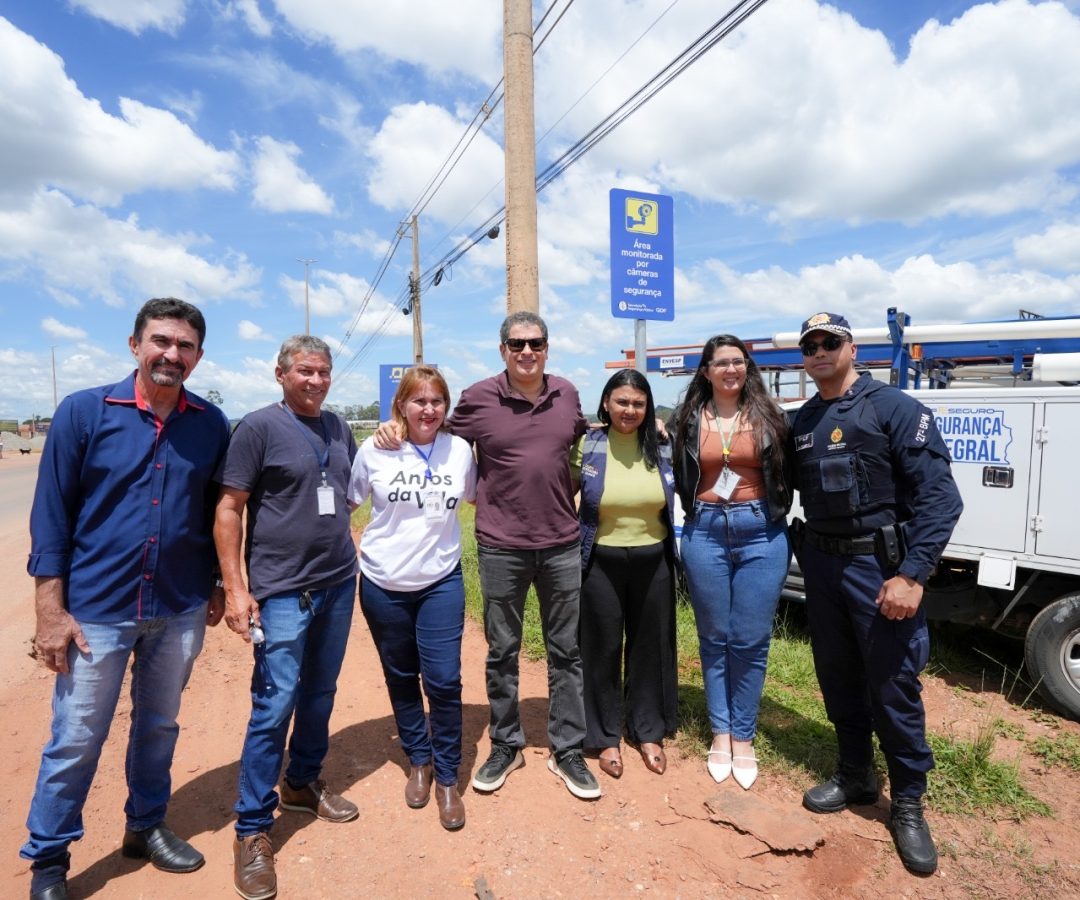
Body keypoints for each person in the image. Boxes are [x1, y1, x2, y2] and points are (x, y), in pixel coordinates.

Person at [21, 298, 231, 900]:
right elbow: (52, 514)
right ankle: (50, 859)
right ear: (135, 344)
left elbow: (216, 511)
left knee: (159, 726)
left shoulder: (210, 423)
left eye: (185, 345)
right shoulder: (84, 412)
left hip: (178, 605)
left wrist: (218, 582)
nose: (172, 354)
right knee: (76, 736)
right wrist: (49, 610)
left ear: (198, 356)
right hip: (97, 610)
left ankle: (145, 826)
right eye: (161, 340)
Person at [375, 312, 599, 800]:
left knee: (566, 650)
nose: (526, 351)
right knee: (503, 651)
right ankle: (506, 743)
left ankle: (567, 749)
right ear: (503, 350)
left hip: (561, 542)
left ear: (547, 347)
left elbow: (584, 438)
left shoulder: (567, 394)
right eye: (517, 343)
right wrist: (394, 426)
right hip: (501, 546)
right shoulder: (478, 397)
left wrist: (651, 430)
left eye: (535, 343)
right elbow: (431, 429)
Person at [790, 312, 962, 875]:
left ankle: (908, 800)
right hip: (822, 568)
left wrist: (912, 575)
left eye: (829, 342)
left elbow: (941, 500)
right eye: (810, 345)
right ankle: (856, 774)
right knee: (838, 675)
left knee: (892, 684)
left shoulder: (895, 408)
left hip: (880, 569)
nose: (819, 351)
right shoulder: (803, 419)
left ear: (852, 349)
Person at [215, 335, 360, 900]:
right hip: (280, 593)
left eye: (323, 371)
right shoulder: (257, 428)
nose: (316, 380)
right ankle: (252, 827)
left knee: (320, 692)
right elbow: (229, 508)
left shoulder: (339, 427)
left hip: (337, 582)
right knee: (274, 705)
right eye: (305, 371)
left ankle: (301, 782)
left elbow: (347, 494)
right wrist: (236, 589)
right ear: (281, 374)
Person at [350, 365, 477, 829]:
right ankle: (418, 759)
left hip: (440, 580)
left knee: (443, 680)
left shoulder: (459, 450)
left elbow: (477, 497)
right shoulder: (375, 449)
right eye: (419, 400)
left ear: (447, 407)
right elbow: (346, 503)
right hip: (383, 582)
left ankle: (448, 776)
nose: (428, 409)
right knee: (401, 675)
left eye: (437, 401)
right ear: (401, 404)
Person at [671, 334, 792, 791]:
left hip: (761, 531)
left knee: (750, 640)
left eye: (738, 362)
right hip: (705, 531)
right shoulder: (687, 418)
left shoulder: (770, 415)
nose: (730, 369)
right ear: (706, 371)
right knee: (714, 637)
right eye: (721, 362)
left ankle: (743, 735)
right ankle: (720, 731)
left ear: (747, 367)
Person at [573, 370, 678, 778]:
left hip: (654, 559)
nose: (630, 410)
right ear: (606, 403)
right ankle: (604, 736)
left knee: (650, 647)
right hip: (601, 560)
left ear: (648, 406)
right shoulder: (588, 444)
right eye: (622, 402)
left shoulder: (662, 444)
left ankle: (647, 730)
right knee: (600, 648)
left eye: (638, 403)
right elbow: (560, 491)